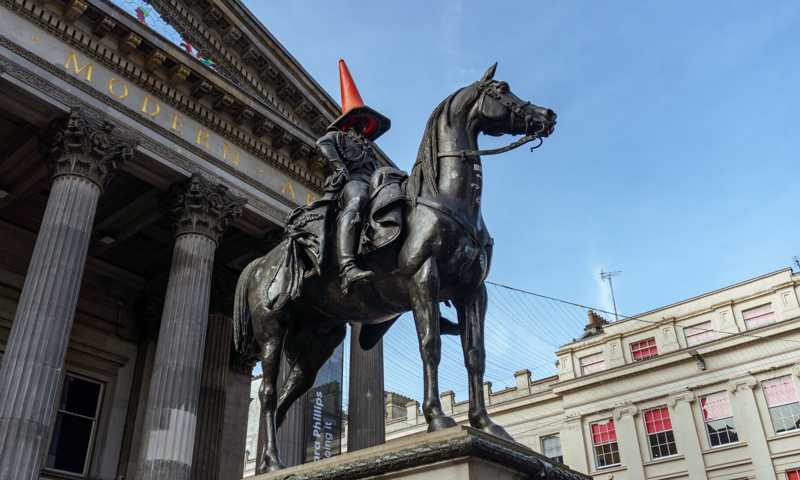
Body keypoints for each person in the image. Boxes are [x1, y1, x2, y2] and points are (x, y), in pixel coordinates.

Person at [317, 59, 391, 294]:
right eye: (358, 122)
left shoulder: (369, 150)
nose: (362, 128)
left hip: (375, 183)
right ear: (348, 124)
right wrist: (340, 167)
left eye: (364, 124)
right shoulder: (337, 137)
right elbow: (323, 143)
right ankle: (348, 266)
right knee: (358, 199)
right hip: (354, 182)